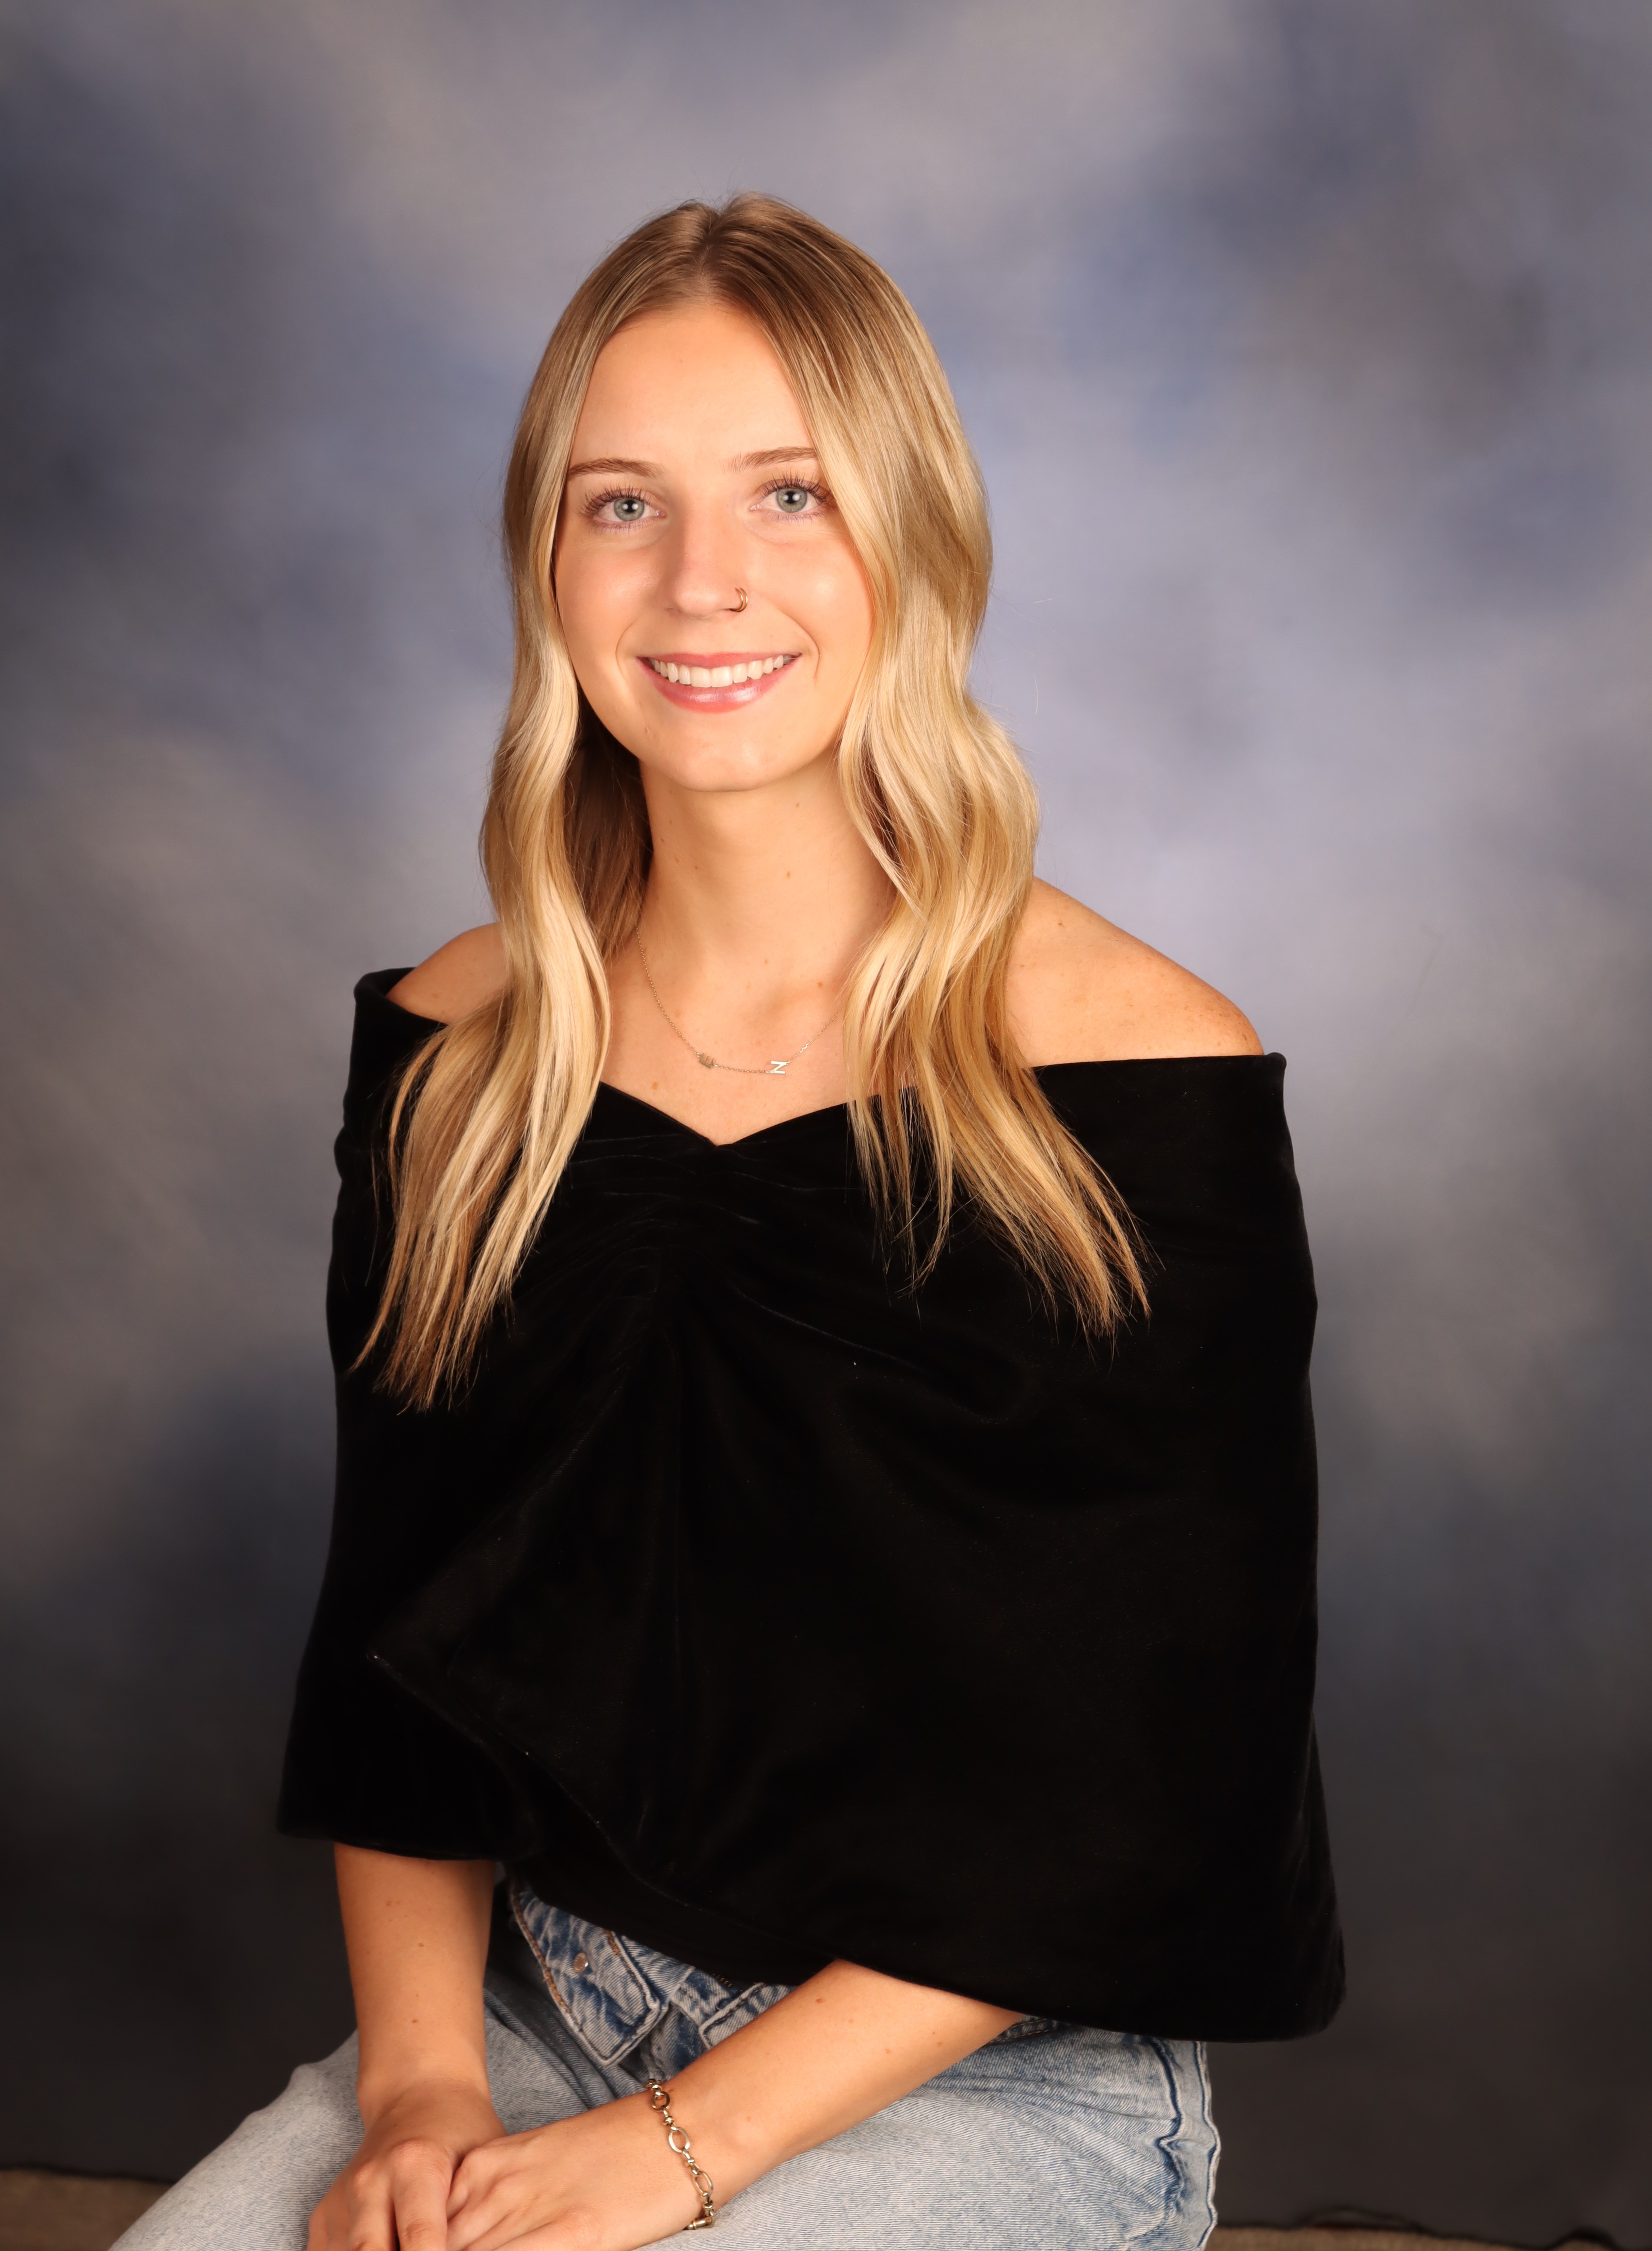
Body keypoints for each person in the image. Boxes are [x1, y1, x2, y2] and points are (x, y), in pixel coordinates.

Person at [120, 194, 1341, 2251]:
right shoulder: (459, 1043)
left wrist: (682, 2151)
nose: (704, 581)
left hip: (983, 2071)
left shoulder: (1138, 1074)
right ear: (546, 560)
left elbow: (1150, 1781)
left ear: (913, 539)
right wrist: (419, 2095)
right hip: (531, 2015)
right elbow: (403, 1648)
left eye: (791, 492)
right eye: (623, 505)